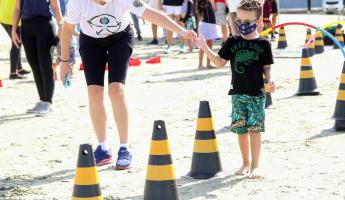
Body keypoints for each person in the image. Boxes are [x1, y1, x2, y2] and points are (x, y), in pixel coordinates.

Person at [60, 0, 196, 170]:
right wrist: (65, 61)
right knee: (94, 92)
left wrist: (182, 31)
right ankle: (102, 147)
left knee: (116, 90)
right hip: (91, 41)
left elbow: (150, 14)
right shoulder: (77, 2)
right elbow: (67, 29)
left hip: (121, 38)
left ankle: (124, 148)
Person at [195, 0, 274, 178]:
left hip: (256, 95)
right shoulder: (232, 41)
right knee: (241, 130)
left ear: (258, 22)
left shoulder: (263, 44)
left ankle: (255, 165)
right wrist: (204, 47)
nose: (242, 25)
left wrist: (271, 79)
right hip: (237, 94)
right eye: (238, 21)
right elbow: (219, 62)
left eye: (247, 22)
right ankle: (245, 162)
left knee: (255, 130)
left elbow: (267, 67)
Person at [12, 0, 63, 116]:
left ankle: (48, 102)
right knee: (34, 66)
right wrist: (14, 30)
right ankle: (42, 100)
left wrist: (60, 28)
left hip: (45, 25)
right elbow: (17, 9)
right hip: (26, 26)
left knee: (45, 65)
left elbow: (56, 7)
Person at [0, 0, 31, 79]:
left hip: (3, 15)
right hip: (12, 16)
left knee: (17, 42)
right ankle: (13, 73)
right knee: (17, 43)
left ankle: (19, 68)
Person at [197, 0, 218, 69]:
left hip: (212, 24)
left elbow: (215, 10)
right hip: (205, 25)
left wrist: (212, 2)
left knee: (210, 44)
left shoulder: (210, 2)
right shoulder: (203, 2)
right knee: (203, 45)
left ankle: (208, 64)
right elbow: (199, 13)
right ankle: (200, 64)